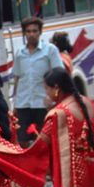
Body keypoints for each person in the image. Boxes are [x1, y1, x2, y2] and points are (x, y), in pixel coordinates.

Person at [10, 17, 63, 147]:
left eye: (35, 31)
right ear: (24, 33)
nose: (31, 34)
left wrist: (55, 98)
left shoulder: (49, 50)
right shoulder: (20, 53)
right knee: (22, 141)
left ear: (40, 32)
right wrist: (15, 104)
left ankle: (45, 167)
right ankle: (27, 167)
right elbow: (18, 78)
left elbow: (59, 75)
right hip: (24, 104)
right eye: (28, 31)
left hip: (43, 104)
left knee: (44, 141)